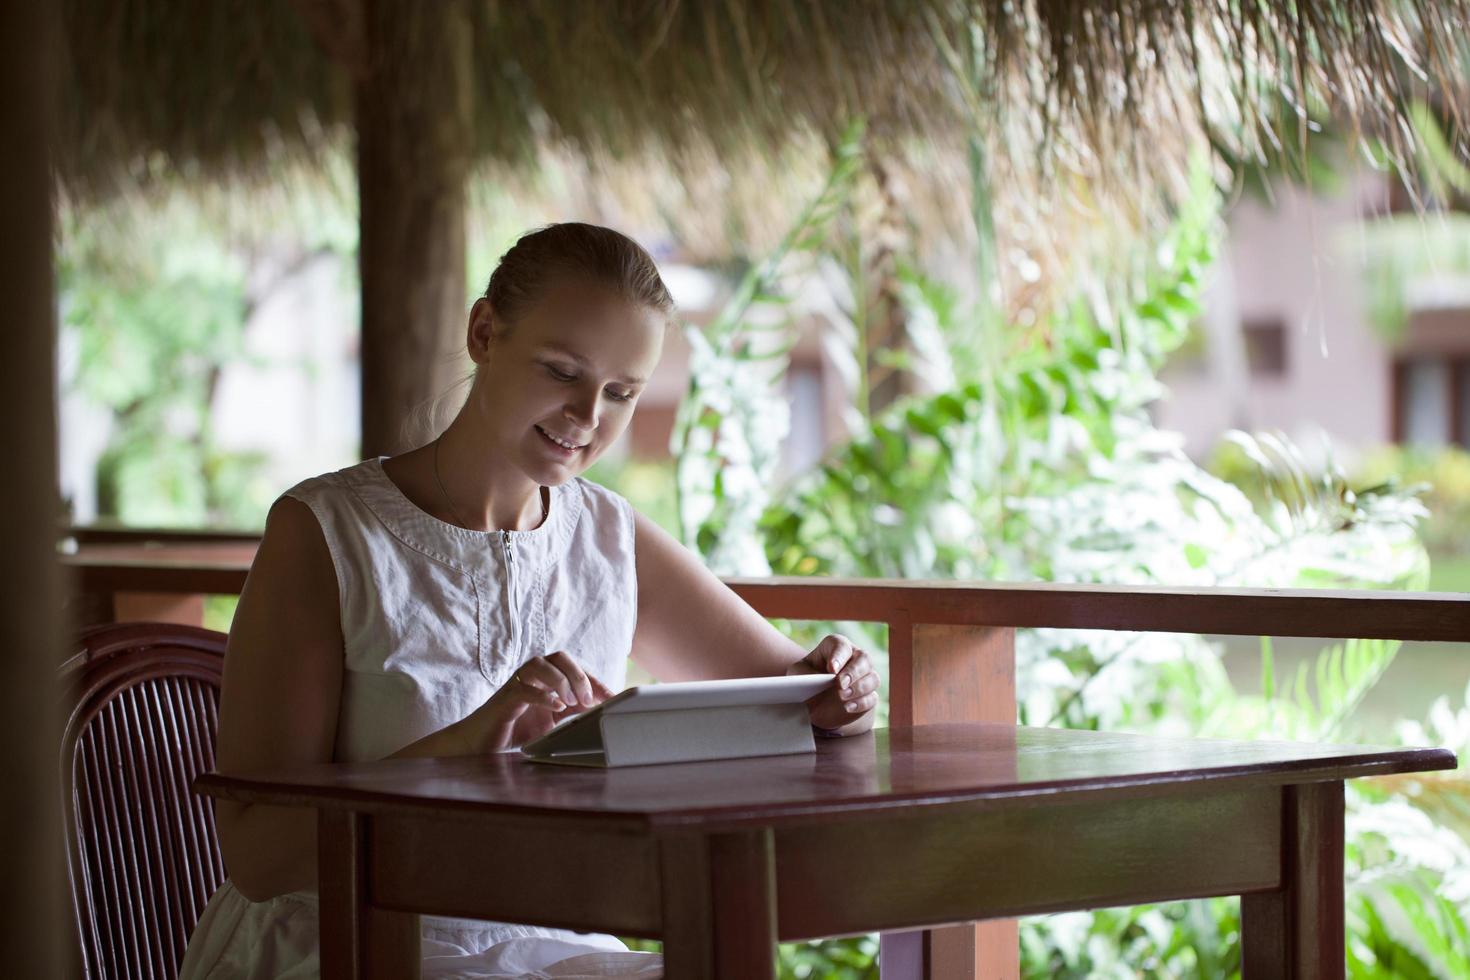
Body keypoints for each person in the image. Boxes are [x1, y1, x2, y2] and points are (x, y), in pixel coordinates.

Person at [179, 222, 880, 979]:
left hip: (552, 943)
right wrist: (458, 749)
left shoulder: (609, 536)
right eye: (560, 371)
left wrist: (846, 687)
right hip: (345, 939)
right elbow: (257, 854)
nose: (587, 416)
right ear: (484, 332)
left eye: (621, 392)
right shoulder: (327, 533)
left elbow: (803, 699)